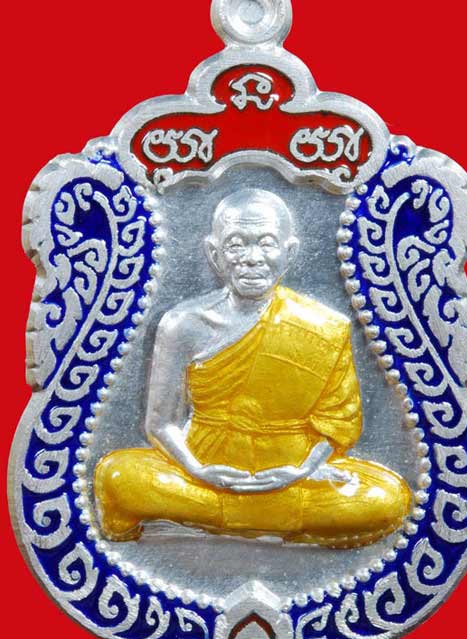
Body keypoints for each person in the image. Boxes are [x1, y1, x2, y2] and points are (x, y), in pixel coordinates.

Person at [94, 188, 412, 547]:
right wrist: (199, 470)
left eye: (266, 244)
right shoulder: (183, 324)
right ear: (214, 254)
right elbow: (161, 423)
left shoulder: (325, 326)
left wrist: (300, 471)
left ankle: (221, 518)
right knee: (118, 475)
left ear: (289, 252)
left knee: (387, 497)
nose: (251, 259)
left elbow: (338, 425)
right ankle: (276, 523)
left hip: (292, 472)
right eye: (235, 245)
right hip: (204, 471)